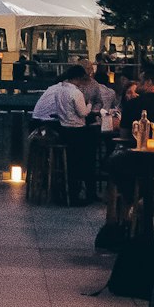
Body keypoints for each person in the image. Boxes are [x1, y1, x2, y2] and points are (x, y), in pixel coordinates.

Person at [31, 65, 94, 204]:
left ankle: (62, 188)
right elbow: (82, 113)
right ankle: (85, 190)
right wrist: (89, 104)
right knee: (86, 155)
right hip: (71, 130)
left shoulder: (59, 90)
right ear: (78, 78)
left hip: (58, 128)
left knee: (72, 159)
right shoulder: (75, 93)